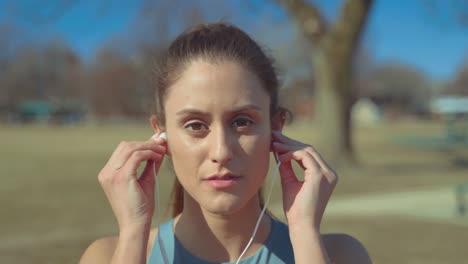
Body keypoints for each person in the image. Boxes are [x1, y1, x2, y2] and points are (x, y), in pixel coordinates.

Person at [80, 23, 371, 264]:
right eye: (195, 125)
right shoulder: (107, 257)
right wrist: (133, 233)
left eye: (242, 121)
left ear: (276, 129)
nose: (221, 151)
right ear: (161, 135)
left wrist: (304, 234)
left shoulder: (339, 255)